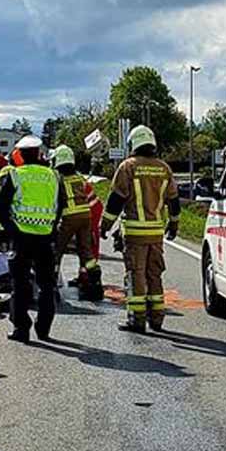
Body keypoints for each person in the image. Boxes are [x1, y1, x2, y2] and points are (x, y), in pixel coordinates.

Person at [100, 125, 179, 333]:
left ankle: (137, 319)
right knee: (155, 275)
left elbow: (115, 201)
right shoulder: (164, 168)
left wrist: (105, 226)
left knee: (136, 275)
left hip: (135, 233)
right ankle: (157, 319)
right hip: (156, 233)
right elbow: (174, 200)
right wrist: (174, 224)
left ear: (133, 144)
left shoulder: (128, 167)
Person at [0, 135, 63, 342]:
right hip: (45, 239)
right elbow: (60, 206)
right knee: (46, 285)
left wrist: (12, 231)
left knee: (20, 285)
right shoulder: (54, 176)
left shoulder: (15, 175)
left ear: (21, 155)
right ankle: (43, 330)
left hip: (21, 239)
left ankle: (21, 329)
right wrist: (51, 229)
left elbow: (1, 209)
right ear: (39, 153)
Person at [51, 145, 103, 301]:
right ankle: (94, 282)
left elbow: (59, 202)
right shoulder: (80, 177)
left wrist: (54, 224)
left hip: (69, 217)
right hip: (85, 216)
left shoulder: (59, 178)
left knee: (57, 251)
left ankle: (52, 285)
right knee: (86, 251)